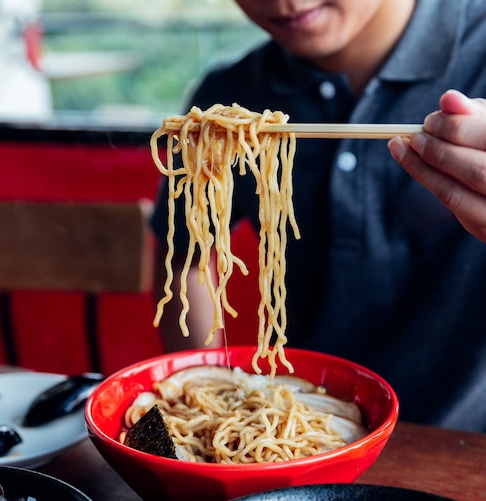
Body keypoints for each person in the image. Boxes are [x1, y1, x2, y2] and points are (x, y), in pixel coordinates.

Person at [149, 0, 486, 433]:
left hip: (463, 443)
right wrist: (204, 397)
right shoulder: (228, 100)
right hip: (301, 423)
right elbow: (185, 258)